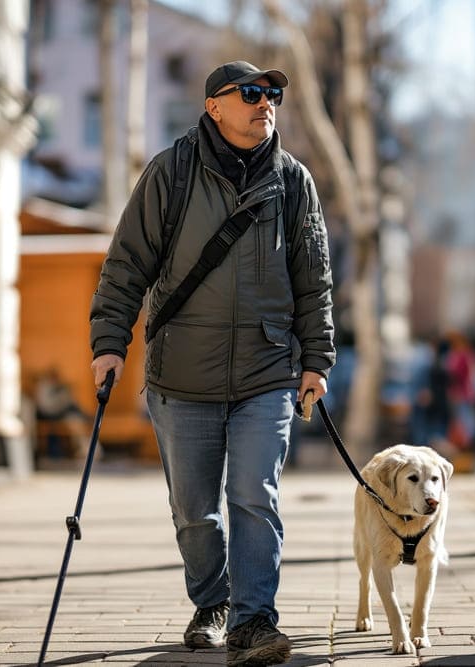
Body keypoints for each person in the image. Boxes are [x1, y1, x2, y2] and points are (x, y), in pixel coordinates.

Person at [89, 61, 335, 666]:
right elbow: (126, 264)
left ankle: (255, 621)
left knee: (255, 493)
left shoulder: (293, 181)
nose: (266, 103)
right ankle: (212, 601)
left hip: (267, 369)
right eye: (251, 93)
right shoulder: (170, 173)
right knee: (194, 510)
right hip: (181, 374)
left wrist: (317, 358)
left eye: (273, 93)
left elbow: (314, 279)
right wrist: (109, 344)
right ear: (214, 107)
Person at [34, 367, 90, 458]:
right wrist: (63, 400)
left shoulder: (61, 388)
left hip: (64, 414)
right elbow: (47, 408)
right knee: (75, 421)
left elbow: (72, 403)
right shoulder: (44, 388)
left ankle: (86, 448)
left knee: (76, 420)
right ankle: (86, 449)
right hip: (50, 416)